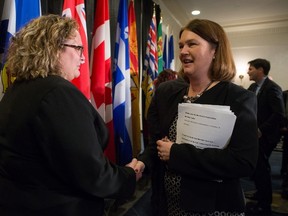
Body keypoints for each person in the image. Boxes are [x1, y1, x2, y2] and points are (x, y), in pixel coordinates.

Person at [0, 14, 141, 216]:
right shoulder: (57, 92)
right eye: (78, 48)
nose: (83, 57)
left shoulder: (17, 89)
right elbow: (91, 174)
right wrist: (129, 176)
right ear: (54, 48)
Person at [134, 19, 258, 216]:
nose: (183, 51)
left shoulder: (239, 98)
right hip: (167, 202)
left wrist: (176, 153)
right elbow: (156, 143)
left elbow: (244, 162)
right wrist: (141, 162)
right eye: (181, 45)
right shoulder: (168, 92)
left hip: (212, 207)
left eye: (192, 44)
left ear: (215, 50)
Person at [245, 58, 285, 215]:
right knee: (255, 165)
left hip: (266, 136)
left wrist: (261, 130)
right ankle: (260, 192)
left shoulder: (273, 88)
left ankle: (265, 203)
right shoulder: (253, 86)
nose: (248, 71)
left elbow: (278, 114)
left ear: (260, 70)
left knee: (262, 168)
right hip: (255, 135)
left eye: (251, 69)